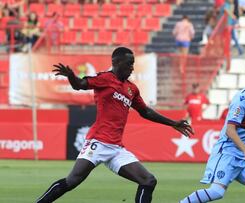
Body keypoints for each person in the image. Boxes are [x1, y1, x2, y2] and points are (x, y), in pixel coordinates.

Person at [35, 47, 194, 203]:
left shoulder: (132, 89)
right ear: (116, 62)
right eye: (129, 63)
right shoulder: (105, 79)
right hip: (97, 142)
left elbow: (145, 111)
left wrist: (173, 123)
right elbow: (80, 85)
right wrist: (71, 76)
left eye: (133, 64)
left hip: (116, 149)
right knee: (72, 181)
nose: (132, 68)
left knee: (148, 181)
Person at [180, 61, 245, 203]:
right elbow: (230, 130)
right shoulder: (243, 99)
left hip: (242, 157)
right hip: (227, 154)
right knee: (216, 192)